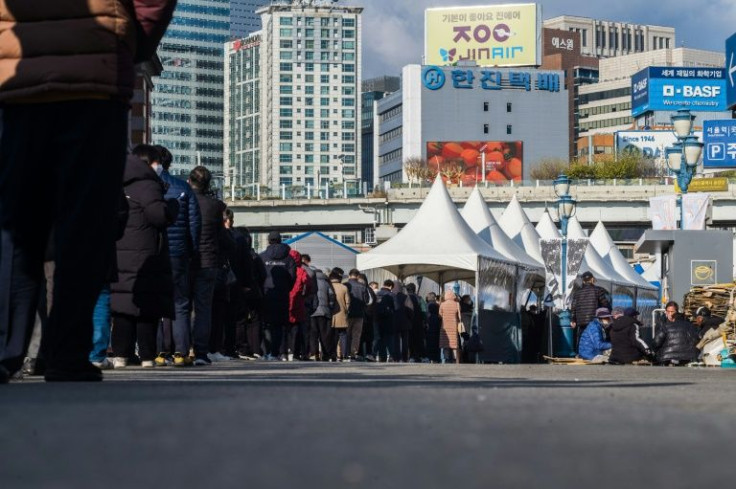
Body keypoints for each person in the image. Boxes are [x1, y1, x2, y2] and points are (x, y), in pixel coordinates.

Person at [0, 0, 177, 382]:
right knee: (83, 224)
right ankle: (66, 353)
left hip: (19, 75)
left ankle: (4, 350)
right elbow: (152, 3)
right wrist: (132, 46)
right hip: (95, 77)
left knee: (17, 223)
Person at [110, 145, 178, 369]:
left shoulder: (119, 181)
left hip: (121, 251)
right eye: (157, 162)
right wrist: (172, 208)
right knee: (147, 307)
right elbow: (158, 216)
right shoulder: (147, 184)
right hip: (146, 252)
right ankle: (147, 355)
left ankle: (121, 354)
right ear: (148, 163)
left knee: (123, 304)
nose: (159, 166)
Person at [153, 146, 200, 367]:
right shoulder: (183, 187)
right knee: (181, 303)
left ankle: (160, 351)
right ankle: (181, 351)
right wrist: (190, 250)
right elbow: (194, 224)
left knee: (156, 302)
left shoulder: (147, 187)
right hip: (179, 252)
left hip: (154, 251)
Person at [188, 166, 228, 366]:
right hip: (209, 261)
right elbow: (223, 238)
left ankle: (180, 349)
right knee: (204, 309)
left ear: (189, 181)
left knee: (182, 306)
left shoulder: (184, 200)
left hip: (187, 260)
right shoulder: (216, 206)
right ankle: (201, 353)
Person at [259, 231, 296, 360]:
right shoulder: (289, 258)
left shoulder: (262, 257)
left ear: (269, 241)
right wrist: (286, 288)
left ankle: (266, 352)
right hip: (282, 294)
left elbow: (258, 275)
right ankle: (276, 352)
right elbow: (292, 278)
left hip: (266, 293)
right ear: (280, 240)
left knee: (266, 323)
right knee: (279, 325)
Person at [570, 271, 611, 351]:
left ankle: (580, 353)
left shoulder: (577, 292)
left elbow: (573, 307)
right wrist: (610, 314)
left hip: (581, 320)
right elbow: (605, 304)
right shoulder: (598, 290)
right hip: (593, 319)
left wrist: (573, 319)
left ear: (583, 281)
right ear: (592, 279)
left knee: (582, 337)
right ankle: (594, 353)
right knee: (596, 337)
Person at [284, 249, 308, 362]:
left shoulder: (284, 268)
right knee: (296, 330)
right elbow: (308, 286)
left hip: (284, 301)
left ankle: (283, 351)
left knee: (283, 328)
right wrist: (304, 297)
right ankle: (295, 353)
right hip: (298, 303)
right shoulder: (302, 271)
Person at [310, 267, 336, 361]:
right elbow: (332, 296)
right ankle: (326, 355)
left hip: (312, 312)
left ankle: (314, 354)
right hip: (325, 312)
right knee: (325, 335)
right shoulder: (326, 282)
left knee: (313, 334)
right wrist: (330, 307)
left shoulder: (310, 281)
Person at [345, 269, 370, 361]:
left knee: (346, 333)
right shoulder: (362, 286)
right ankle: (353, 353)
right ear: (358, 276)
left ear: (349, 275)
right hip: (359, 314)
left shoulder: (345, 285)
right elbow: (367, 301)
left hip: (347, 314)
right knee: (356, 335)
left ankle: (345, 352)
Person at [373, 280, 397, 362]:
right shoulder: (392, 295)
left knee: (380, 339)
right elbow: (396, 308)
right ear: (390, 287)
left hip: (377, 320)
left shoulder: (376, 294)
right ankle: (391, 356)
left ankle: (381, 357)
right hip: (389, 320)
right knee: (390, 339)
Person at [330, 270, 351, 361]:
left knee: (332, 336)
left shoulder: (329, 287)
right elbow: (348, 302)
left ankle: (333, 354)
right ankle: (344, 354)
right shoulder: (344, 287)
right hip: (342, 314)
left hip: (331, 315)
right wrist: (345, 310)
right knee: (343, 335)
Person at [438, 290, 462, 364]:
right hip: (454, 326)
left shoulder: (442, 304)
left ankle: (447, 359)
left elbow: (440, 315)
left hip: (444, 326)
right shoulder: (457, 304)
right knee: (454, 345)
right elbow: (459, 316)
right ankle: (455, 360)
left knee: (445, 344)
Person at [405, 283, 426, 362]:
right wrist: (425, 321)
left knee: (410, 339)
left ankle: (411, 356)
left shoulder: (405, 298)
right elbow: (424, 310)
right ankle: (421, 356)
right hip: (418, 322)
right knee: (419, 339)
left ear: (407, 290)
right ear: (414, 289)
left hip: (409, 321)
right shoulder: (419, 298)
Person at [425, 292, 441, 363]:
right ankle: (436, 358)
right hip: (437, 327)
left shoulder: (426, 306)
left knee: (429, 343)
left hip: (429, 327)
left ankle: (430, 358)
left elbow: (425, 316)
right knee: (436, 343)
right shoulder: (438, 306)